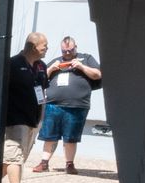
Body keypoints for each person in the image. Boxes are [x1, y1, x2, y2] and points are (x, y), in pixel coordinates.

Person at [33, 35, 101, 173]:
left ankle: (69, 164)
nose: (67, 53)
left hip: (77, 105)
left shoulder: (86, 58)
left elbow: (97, 75)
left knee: (70, 137)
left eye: (70, 50)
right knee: (49, 135)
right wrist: (51, 69)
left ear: (76, 47)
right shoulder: (55, 61)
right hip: (53, 105)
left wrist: (81, 66)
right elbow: (39, 79)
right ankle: (44, 163)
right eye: (64, 51)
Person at [2, 32, 48, 183]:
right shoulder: (13, 64)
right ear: (33, 47)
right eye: (44, 46)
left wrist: (40, 119)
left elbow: (42, 92)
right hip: (15, 118)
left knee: (12, 158)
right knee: (15, 157)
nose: (46, 49)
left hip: (33, 119)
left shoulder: (41, 66)